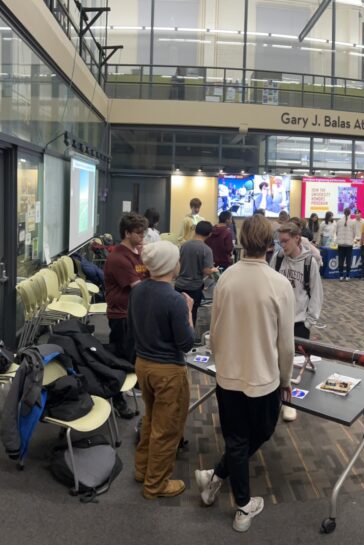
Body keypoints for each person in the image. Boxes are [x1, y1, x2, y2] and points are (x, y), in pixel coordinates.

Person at [194, 215, 294, 532]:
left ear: (241, 241)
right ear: (270, 243)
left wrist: (220, 359)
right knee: (259, 433)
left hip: (229, 375)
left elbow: (215, 328)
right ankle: (243, 505)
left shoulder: (227, 278)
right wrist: (286, 380)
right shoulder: (280, 284)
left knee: (239, 439)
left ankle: (215, 477)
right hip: (264, 378)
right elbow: (287, 345)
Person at [131, 240, 195, 500]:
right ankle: (155, 485)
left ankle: (141, 469)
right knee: (166, 429)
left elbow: (130, 326)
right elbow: (186, 343)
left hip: (143, 365)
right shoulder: (174, 299)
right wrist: (189, 312)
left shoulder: (137, 290)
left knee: (150, 419)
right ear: (171, 265)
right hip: (168, 371)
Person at [271, 222, 323, 423]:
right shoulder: (277, 259)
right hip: (277, 320)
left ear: (297, 239)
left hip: (299, 321)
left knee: (292, 365)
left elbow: (316, 295)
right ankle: (275, 400)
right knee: (275, 361)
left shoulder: (309, 263)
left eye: (285, 241)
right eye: (279, 241)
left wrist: (310, 322)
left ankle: (289, 404)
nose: (282, 245)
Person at [104, 212, 149, 372]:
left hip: (132, 311)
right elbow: (139, 286)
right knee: (122, 355)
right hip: (121, 314)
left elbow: (146, 275)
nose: (142, 236)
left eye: (143, 232)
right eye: (138, 232)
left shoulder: (136, 252)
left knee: (133, 352)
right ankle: (119, 391)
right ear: (127, 233)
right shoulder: (119, 257)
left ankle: (131, 381)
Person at [175, 220, 215, 328]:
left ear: (195, 230)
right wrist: (213, 270)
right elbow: (206, 270)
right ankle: (188, 340)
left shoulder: (184, 245)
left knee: (177, 313)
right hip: (194, 287)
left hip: (179, 285)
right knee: (191, 315)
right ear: (209, 234)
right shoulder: (206, 250)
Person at [334, 208, 358, 281]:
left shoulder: (339, 221)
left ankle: (341, 276)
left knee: (340, 260)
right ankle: (347, 276)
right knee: (348, 261)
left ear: (343, 213)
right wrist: (350, 239)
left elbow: (337, 232)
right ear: (350, 213)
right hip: (349, 245)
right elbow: (354, 234)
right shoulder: (353, 222)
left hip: (341, 244)